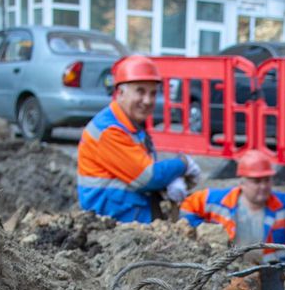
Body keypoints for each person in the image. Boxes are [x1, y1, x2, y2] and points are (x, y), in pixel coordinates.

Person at [77, 54, 201, 222]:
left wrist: (172, 179)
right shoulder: (110, 130)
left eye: (152, 93)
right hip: (113, 220)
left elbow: (142, 168)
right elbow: (147, 177)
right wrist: (183, 164)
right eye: (140, 91)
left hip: (125, 213)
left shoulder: (129, 125)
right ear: (120, 93)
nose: (148, 100)